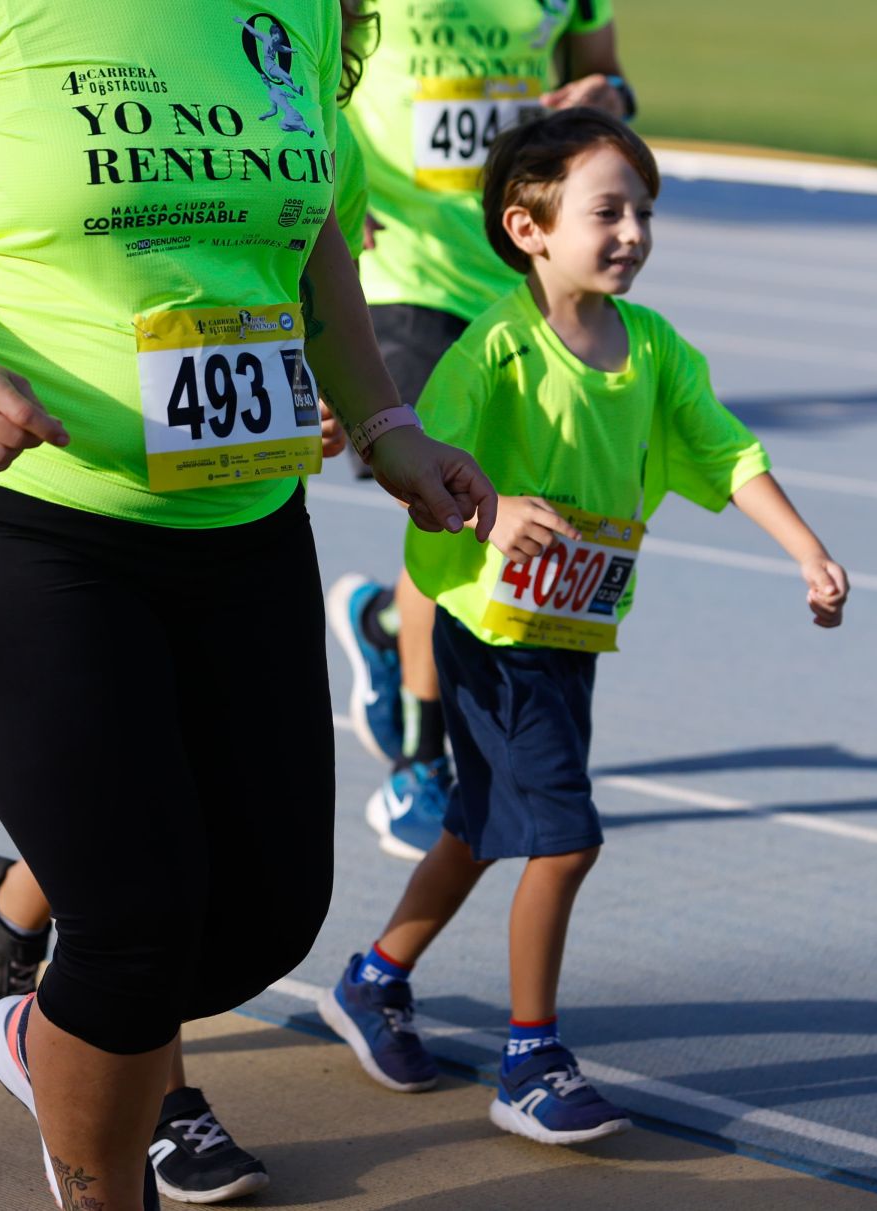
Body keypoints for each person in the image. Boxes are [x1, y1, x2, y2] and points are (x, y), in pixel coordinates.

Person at [0, 0, 497, 1206]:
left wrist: (387, 427)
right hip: (21, 516)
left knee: (265, 918)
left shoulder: (305, 12)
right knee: (134, 927)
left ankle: (46, 1020)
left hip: (237, 521)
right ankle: (96, 1155)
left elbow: (312, 239)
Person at [318, 108, 849, 1144]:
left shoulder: (653, 350)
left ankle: (373, 977)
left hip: (568, 639)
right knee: (564, 839)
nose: (633, 232)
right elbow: (419, 464)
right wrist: (490, 509)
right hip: (491, 634)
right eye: (608, 210)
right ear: (529, 228)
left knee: (477, 825)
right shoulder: (497, 352)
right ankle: (531, 1056)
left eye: (644, 213)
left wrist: (805, 547)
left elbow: (728, 452)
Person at [327, 0, 638, 861]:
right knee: (460, 506)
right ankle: (422, 767)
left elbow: (607, 74)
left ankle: (392, 625)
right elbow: (300, 63)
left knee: (499, 515)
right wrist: (323, 190)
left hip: (522, 272)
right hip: (398, 268)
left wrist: (605, 96)